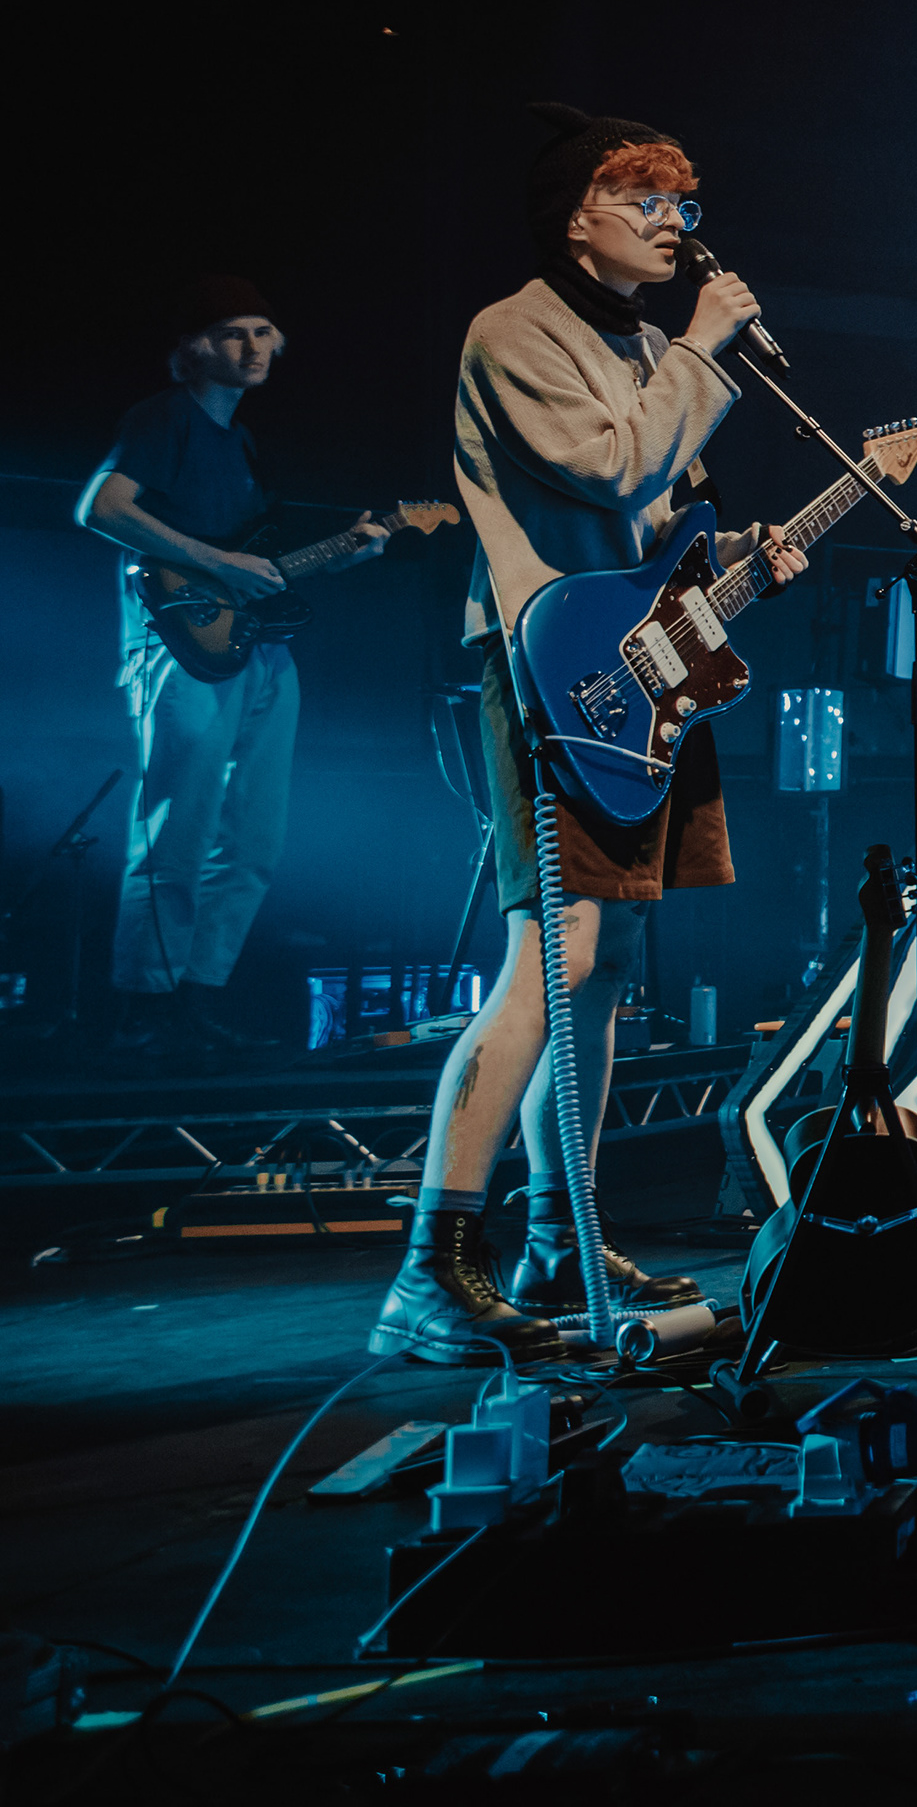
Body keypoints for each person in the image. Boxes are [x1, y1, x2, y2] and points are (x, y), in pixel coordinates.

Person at [369, 108, 804, 1365]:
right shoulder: (512, 334)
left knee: (606, 961)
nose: (678, 222)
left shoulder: (641, 344)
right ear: (577, 218)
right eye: (646, 200)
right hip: (545, 670)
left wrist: (741, 559)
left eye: (682, 199)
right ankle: (430, 1264)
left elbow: (652, 517)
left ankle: (562, 1229)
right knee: (550, 950)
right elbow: (606, 469)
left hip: (632, 674)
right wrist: (710, 354)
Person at [75, 280, 399, 1061]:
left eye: (263, 332)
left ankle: (197, 1001)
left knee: (254, 836)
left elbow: (256, 572)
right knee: (175, 829)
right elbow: (100, 507)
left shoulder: (243, 444)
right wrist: (216, 560)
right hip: (175, 642)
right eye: (231, 334)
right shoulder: (163, 417)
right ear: (193, 350)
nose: (253, 348)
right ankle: (142, 1011)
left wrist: (350, 550)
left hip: (254, 649)